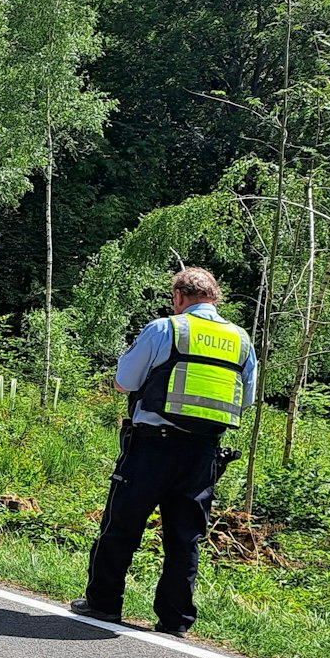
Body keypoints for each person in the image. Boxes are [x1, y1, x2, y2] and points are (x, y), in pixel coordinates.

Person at [72, 267, 257, 637]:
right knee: (185, 537)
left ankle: (103, 604)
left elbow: (124, 381)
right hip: (203, 453)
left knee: (122, 525)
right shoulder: (241, 340)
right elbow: (246, 399)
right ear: (215, 298)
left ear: (178, 297)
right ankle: (175, 620)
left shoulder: (166, 328)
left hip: (152, 445)